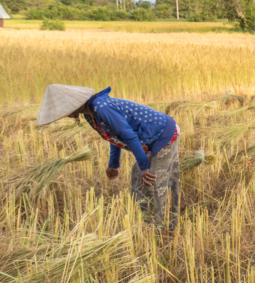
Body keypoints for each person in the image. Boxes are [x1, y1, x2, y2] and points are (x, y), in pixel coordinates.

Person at [36, 84, 181, 230]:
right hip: (149, 138)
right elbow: (114, 136)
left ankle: (155, 229)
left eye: (66, 110)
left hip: (162, 134)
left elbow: (128, 136)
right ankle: (144, 222)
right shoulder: (90, 114)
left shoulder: (102, 108)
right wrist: (113, 163)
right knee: (137, 177)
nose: (66, 115)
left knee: (151, 182)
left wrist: (144, 167)